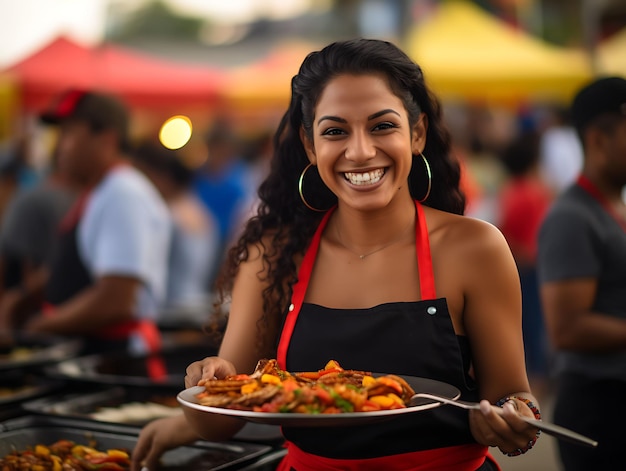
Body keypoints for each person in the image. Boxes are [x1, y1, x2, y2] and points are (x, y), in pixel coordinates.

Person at [132, 39, 540, 471]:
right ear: (310, 145)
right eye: (335, 131)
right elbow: (218, 424)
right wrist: (208, 383)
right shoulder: (273, 254)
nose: (360, 151)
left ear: (416, 133)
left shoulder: (475, 248)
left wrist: (513, 420)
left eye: (382, 126)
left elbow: (516, 396)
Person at [1, 89, 171, 355]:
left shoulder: (123, 193)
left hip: (118, 361)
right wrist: (20, 296)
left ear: (106, 139)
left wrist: (40, 327)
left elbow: (116, 300)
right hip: (99, 354)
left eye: (69, 134)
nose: (59, 147)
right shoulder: (102, 190)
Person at [536, 76, 626, 470]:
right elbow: (568, 328)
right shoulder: (571, 216)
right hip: (600, 404)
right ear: (599, 139)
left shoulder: (611, 207)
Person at [131, 140, 220, 327]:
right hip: (198, 305)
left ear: (163, 177)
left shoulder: (166, 214)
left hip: (170, 312)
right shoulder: (200, 210)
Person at [496, 129, 553, 389]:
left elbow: (506, 230)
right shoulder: (537, 191)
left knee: (525, 324)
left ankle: (533, 376)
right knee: (534, 323)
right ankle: (537, 377)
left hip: (520, 264)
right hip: (531, 265)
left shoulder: (511, 192)